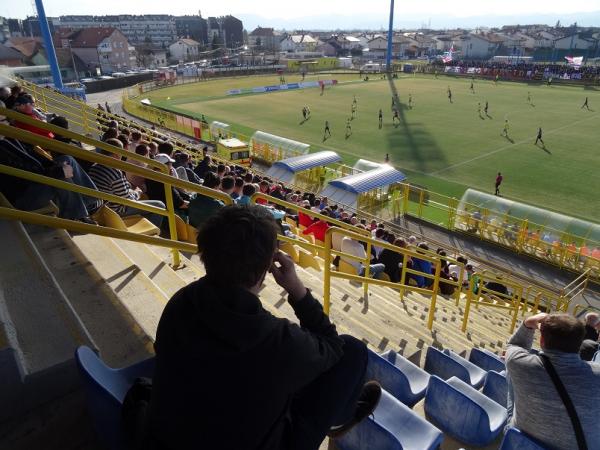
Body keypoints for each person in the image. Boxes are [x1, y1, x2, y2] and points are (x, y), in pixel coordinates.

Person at [149, 205, 382, 450]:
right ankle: (338, 419)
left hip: (168, 435)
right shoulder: (280, 341)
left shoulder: (180, 301)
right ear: (266, 269)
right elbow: (334, 346)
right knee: (353, 351)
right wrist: (297, 290)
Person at [505, 313, 600, 450]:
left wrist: (528, 323)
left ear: (542, 340)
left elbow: (514, 345)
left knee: (511, 373)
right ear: (580, 344)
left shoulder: (518, 362)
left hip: (522, 442)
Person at [88, 138, 165, 228]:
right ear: (117, 154)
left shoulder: (95, 166)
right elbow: (128, 200)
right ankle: (150, 237)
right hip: (115, 211)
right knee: (160, 205)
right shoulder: (114, 171)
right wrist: (138, 192)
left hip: (103, 208)